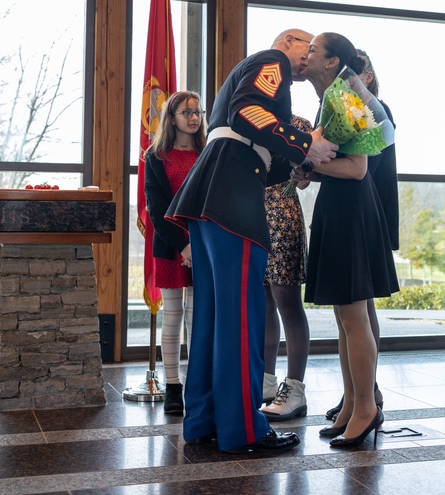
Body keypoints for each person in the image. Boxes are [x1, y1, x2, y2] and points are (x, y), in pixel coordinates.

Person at [166, 29, 339, 454]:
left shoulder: (257, 70)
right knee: (242, 317)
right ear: (288, 43)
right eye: (306, 45)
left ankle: (204, 421)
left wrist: (296, 163)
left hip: (212, 194)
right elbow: (247, 114)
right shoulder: (272, 60)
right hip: (232, 201)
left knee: (211, 316)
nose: (308, 55)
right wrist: (305, 142)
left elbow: (252, 141)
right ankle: (244, 429)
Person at [298, 32, 399, 449]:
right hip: (337, 208)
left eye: (312, 51)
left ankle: (365, 409)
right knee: (343, 319)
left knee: (354, 318)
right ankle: (350, 405)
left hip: (353, 211)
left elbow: (357, 169)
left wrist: (305, 160)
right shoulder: (328, 100)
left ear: (331, 63)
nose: (304, 56)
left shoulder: (345, 99)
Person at [324, 48, 396, 421]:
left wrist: (316, 160)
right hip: (357, 210)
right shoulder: (349, 108)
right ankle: (356, 395)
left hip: (367, 213)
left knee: (359, 311)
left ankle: (367, 395)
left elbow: (364, 169)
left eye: (357, 72)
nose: (348, 78)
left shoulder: (371, 113)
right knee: (352, 312)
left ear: (367, 77)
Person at [144, 90, 207, 416]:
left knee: (197, 320)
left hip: (203, 244)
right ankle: (173, 385)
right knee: (172, 318)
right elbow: (157, 209)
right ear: (172, 118)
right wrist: (183, 245)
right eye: (186, 112)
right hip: (171, 245)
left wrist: (197, 244)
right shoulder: (155, 156)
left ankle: (196, 384)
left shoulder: (208, 153)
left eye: (197, 112)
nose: (194, 118)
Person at [259, 113, 313, 421]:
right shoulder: (253, 120)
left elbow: (305, 177)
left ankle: (294, 389)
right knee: (264, 303)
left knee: (287, 302)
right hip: (252, 213)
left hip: (282, 211)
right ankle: (266, 382)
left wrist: (303, 172)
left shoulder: (300, 125)